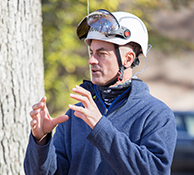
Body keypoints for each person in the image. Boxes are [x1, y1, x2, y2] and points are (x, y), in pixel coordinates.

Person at [24, 9, 177, 175]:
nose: (91, 60)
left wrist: (99, 127)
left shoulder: (156, 114)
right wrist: (41, 142)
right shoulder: (75, 114)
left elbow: (154, 171)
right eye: (91, 53)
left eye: (101, 53)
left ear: (128, 59)